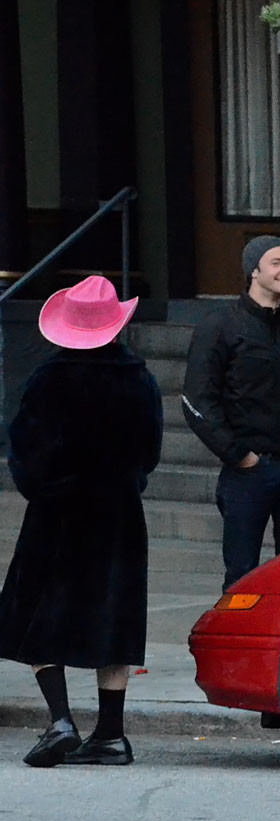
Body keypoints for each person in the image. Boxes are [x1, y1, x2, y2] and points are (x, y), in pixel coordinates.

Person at [5, 276, 162, 767]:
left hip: (57, 515)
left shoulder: (47, 380)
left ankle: (60, 720)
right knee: (115, 618)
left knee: (36, 613)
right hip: (119, 515)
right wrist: (126, 480)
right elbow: (150, 451)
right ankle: (111, 734)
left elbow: (25, 454)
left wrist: (44, 487)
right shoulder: (139, 379)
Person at [183, 235, 280, 589]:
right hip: (248, 473)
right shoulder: (219, 326)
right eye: (277, 263)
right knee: (242, 577)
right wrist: (239, 456)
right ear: (253, 271)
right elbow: (197, 400)